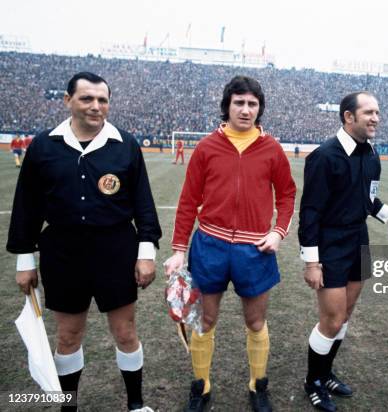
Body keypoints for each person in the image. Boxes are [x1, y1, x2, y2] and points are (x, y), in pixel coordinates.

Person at [6, 72, 162, 412]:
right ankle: (68, 406)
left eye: (102, 100)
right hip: (62, 253)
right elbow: (27, 206)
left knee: (125, 332)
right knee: (67, 337)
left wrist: (146, 253)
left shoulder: (126, 144)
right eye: (87, 99)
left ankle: (135, 405)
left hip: (116, 250)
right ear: (68, 101)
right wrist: (25, 261)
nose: (96, 106)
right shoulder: (44, 145)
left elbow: (144, 204)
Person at [164, 75, 296, 412]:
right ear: (228, 105)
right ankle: (201, 386)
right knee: (204, 321)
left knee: (255, 322)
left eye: (252, 104)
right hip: (210, 245)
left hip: (255, 249)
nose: (246, 109)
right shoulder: (208, 146)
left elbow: (287, 194)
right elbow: (188, 199)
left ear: (259, 108)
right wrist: (179, 249)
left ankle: (258, 386)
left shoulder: (272, 148)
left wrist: (278, 232)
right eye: (239, 102)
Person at [299, 91, 388, 412]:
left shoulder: (371, 154)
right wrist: (311, 262)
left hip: (359, 239)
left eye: (378, 112)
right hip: (330, 245)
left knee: (346, 315)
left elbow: (369, 200)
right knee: (332, 318)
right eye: (368, 112)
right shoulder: (324, 156)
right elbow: (310, 213)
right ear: (348, 117)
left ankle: (326, 373)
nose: (376, 118)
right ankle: (312, 380)